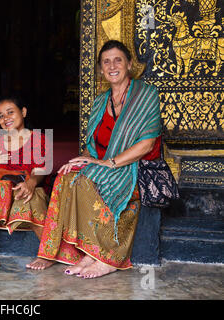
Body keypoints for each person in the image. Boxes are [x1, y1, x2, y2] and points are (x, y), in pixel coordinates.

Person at [27, 40, 162, 278]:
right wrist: (84, 159)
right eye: (106, 62)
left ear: (129, 64)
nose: (112, 66)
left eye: (118, 60)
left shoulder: (146, 94)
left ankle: (106, 258)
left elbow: (147, 143)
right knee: (66, 176)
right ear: (100, 69)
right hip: (105, 166)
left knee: (84, 181)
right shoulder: (101, 101)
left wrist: (109, 163)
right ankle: (83, 252)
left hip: (135, 168)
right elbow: (94, 147)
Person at [0, 96, 51, 268]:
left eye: (10, 112)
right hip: (1, 204)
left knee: (31, 194)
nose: (5, 118)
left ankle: (46, 253)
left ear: (23, 112)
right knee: (1, 186)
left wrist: (31, 183)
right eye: (1, 115)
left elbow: (41, 170)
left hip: (28, 197)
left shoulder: (38, 138)